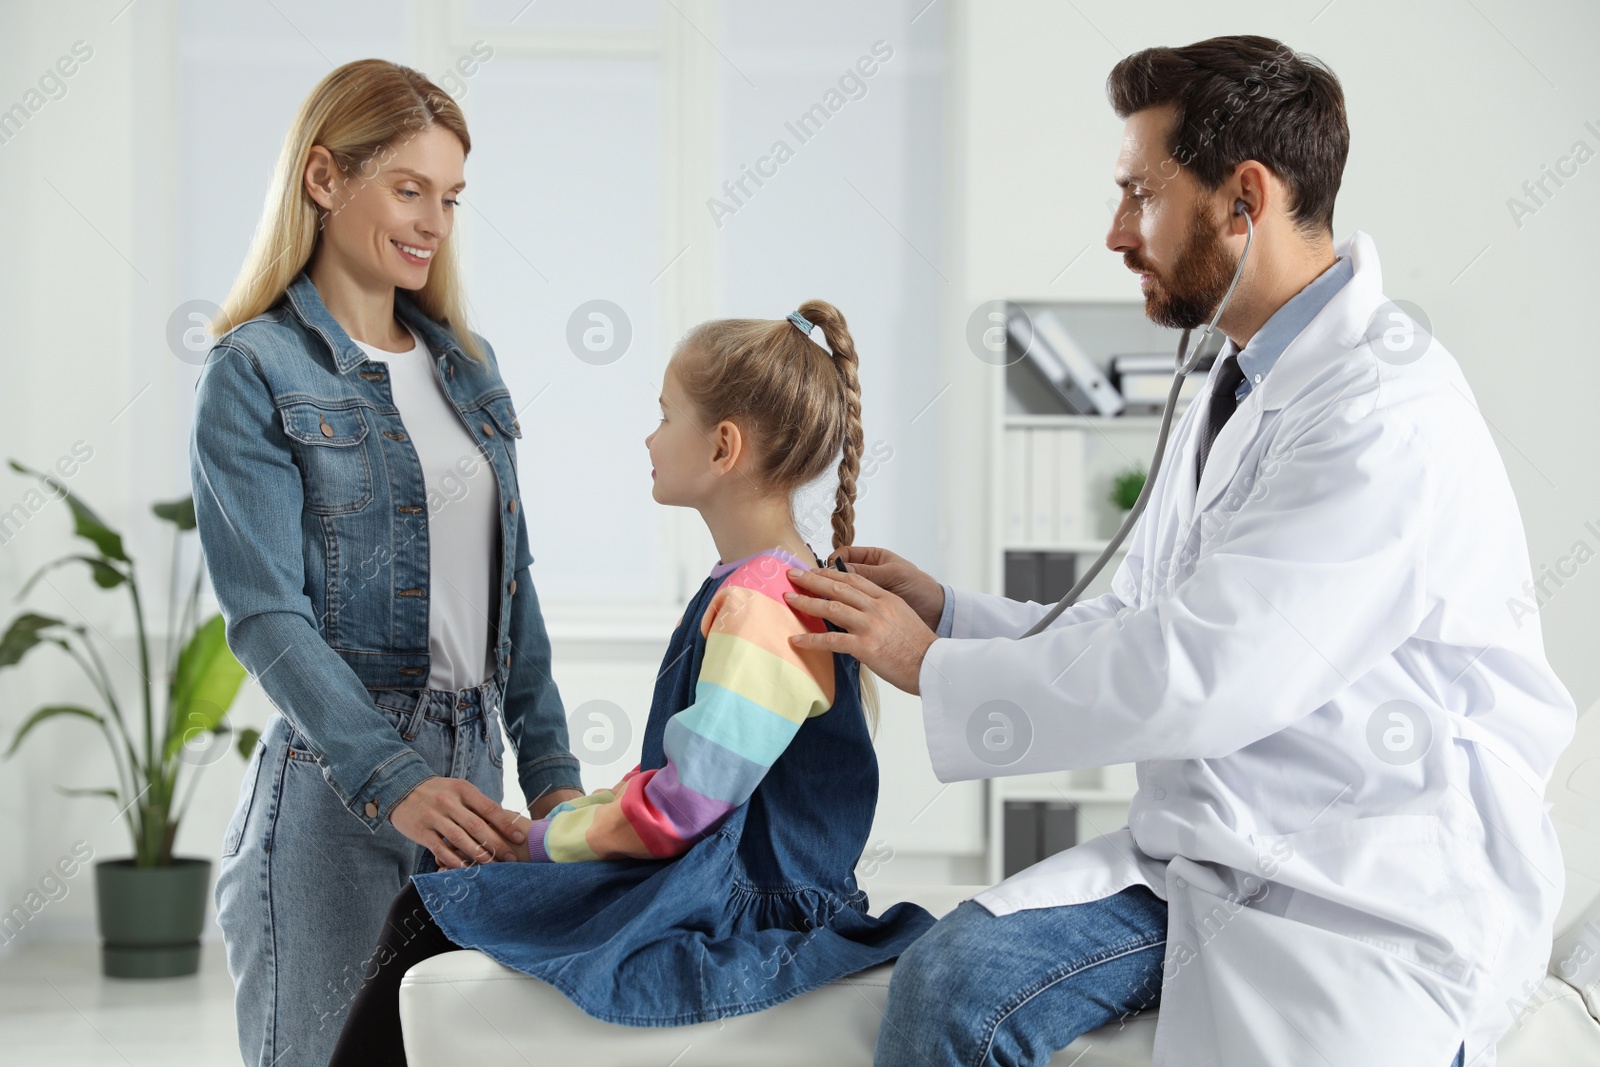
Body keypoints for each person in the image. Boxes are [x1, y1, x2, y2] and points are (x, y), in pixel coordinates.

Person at [784, 35, 1576, 1067]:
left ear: (1242, 199)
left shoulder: (1385, 415)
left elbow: (1207, 669)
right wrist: (949, 615)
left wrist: (927, 667)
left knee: (961, 996)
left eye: (1139, 194)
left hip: (1362, 888)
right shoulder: (1232, 381)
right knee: (952, 977)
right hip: (1210, 851)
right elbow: (1144, 623)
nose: (1115, 231)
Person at [327, 301, 937, 1064]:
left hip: (736, 907)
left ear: (723, 446)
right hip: (715, 882)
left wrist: (540, 840)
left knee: (430, 912)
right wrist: (556, 826)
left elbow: (684, 806)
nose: (649, 436)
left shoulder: (764, 603)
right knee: (437, 902)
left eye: (665, 413)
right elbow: (680, 786)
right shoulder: (759, 584)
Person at [190, 59, 584, 1067]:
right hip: (336, 794)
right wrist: (393, 773)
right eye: (408, 189)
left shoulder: (466, 365)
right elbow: (266, 613)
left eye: (449, 197)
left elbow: (512, 589)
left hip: (477, 777)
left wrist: (553, 782)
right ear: (323, 177)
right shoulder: (255, 370)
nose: (433, 222)